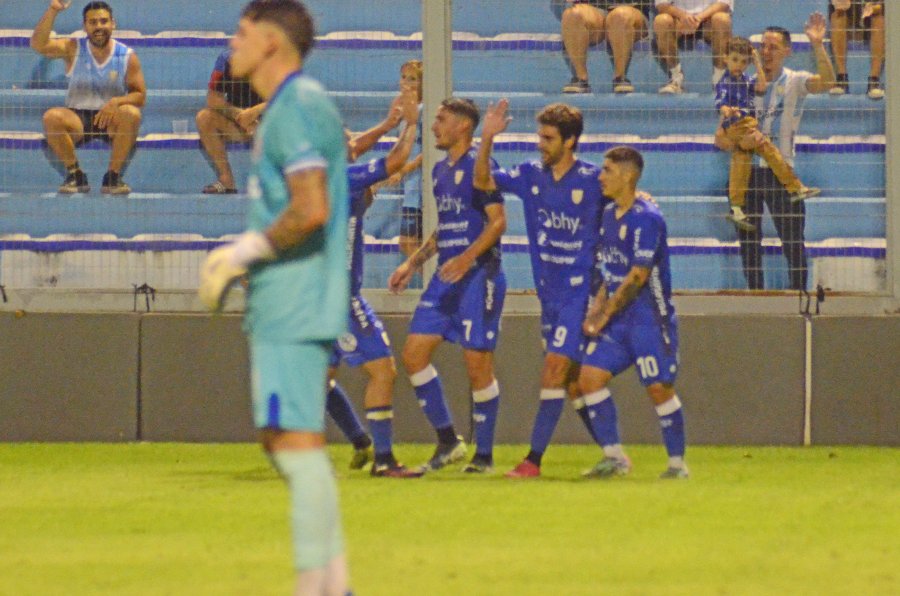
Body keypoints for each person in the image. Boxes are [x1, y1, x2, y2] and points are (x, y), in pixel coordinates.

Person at [198, 1, 351, 593]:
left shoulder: (297, 106)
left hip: (295, 299)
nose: (231, 42)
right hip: (284, 299)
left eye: (240, 32)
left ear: (269, 42)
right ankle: (332, 582)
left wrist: (243, 252)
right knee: (283, 440)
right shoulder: (288, 110)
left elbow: (312, 207)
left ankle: (319, 586)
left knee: (296, 444)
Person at [473, 100, 617, 478]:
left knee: (553, 370)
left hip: (579, 292)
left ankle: (532, 461)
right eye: (540, 136)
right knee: (571, 381)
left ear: (570, 142)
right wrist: (486, 137)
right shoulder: (530, 175)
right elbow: (482, 180)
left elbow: (627, 197)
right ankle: (614, 454)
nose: (541, 144)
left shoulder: (591, 180)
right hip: (548, 293)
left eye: (548, 138)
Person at [388, 98, 507, 474]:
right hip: (446, 278)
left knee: (478, 367)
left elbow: (498, 222)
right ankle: (448, 441)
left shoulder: (481, 166)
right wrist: (412, 262)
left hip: (478, 275)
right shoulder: (439, 170)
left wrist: (468, 258)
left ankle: (484, 457)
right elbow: (447, 228)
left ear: (462, 127)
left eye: (440, 120)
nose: (434, 127)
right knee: (413, 355)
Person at [327, 90, 425, 478]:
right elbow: (394, 161)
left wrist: (387, 125)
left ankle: (357, 441)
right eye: (348, 140)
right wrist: (411, 123)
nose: (355, 143)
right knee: (383, 372)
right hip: (339, 299)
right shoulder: (343, 177)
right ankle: (384, 460)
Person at [579, 146, 689, 479]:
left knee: (658, 389)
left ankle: (677, 464)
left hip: (648, 320)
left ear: (628, 175)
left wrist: (604, 315)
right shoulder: (609, 215)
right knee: (589, 378)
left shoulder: (647, 218)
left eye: (608, 170)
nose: (601, 176)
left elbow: (637, 276)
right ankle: (615, 458)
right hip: (617, 320)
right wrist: (596, 309)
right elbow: (610, 272)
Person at [715, 14, 835, 291]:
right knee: (748, 244)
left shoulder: (794, 81)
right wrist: (740, 143)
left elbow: (827, 84)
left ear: (787, 51)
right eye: (763, 46)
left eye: (773, 47)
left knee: (793, 242)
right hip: (747, 174)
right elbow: (719, 139)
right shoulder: (740, 84)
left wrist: (817, 45)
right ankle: (756, 299)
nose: (766, 52)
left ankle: (798, 299)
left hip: (780, 174)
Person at [30, 0, 146, 195]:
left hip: (111, 118)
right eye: (93, 22)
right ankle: (75, 175)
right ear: (85, 26)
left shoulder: (126, 56)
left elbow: (140, 96)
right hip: (78, 118)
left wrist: (117, 102)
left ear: (113, 23)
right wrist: (53, 10)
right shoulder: (73, 48)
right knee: (51, 117)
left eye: (103, 21)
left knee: (132, 113)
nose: (99, 26)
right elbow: (38, 45)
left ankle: (113, 177)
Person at [715, 36, 819, 232]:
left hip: (747, 123)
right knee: (767, 148)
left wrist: (755, 62)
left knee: (741, 161)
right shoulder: (725, 82)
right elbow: (721, 104)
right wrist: (728, 111)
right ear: (725, 58)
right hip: (738, 124)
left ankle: (737, 207)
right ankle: (794, 186)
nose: (739, 65)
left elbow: (761, 85)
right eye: (735, 60)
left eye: (744, 62)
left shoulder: (746, 79)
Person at [196, 49, 266, 194]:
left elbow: (286, 96)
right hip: (239, 122)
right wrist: (239, 115)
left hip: (271, 123)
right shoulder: (226, 59)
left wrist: (253, 113)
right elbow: (213, 98)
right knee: (204, 118)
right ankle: (226, 180)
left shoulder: (279, 58)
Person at [552, 1, 653, 94]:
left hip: (633, 10)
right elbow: (557, 7)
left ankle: (620, 78)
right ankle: (580, 78)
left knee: (620, 15)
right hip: (596, 11)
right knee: (572, 14)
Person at [385, 60, 426, 257]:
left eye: (413, 79)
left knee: (408, 243)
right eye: (403, 77)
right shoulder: (404, 110)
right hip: (411, 189)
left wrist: (403, 170)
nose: (406, 82)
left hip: (422, 188)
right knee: (412, 244)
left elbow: (429, 151)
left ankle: (439, 286)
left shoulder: (424, 110)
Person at [653, 0, 733, 93]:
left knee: (722, 19)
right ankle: (676, 79)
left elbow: (724, 4)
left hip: (709, 20)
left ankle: (720, 81)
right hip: (679, 20)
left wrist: (697, 18)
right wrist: (684, 16)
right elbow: (661, 5)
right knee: (661, 20)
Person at [829, 1, 884, 99]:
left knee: (879, 17)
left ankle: (874, 81)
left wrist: (874, 7)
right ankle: (842, 78)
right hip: (848, 6)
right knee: (837, 14)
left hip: (871, 5)